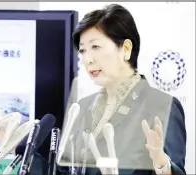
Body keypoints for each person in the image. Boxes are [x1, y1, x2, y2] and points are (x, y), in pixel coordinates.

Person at [57, 4, 186, 175]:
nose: (87, 59)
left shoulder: (161, 105)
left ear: (125, 49)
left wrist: (161, 163)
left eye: (95, 47)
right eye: (83, 51)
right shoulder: (81, 107)